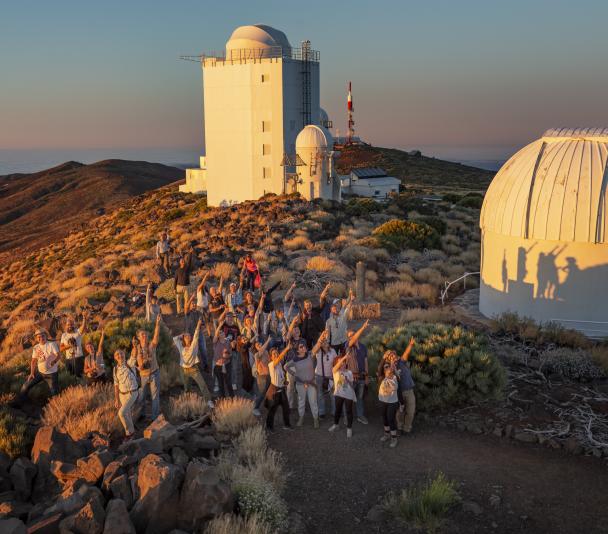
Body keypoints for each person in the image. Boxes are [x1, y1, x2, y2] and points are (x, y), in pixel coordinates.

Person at [130, 314, 162, 421]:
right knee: (142, 396)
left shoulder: (151, 345)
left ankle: (155, 418)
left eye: (145, 334)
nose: (144, 336)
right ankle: (141, 414)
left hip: (154, 373)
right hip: (143, 375)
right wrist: (134, 347)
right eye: (142, 335)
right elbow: (132, 357)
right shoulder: (137, 348)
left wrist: (157, 324)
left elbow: (156, 336)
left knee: (155, 397)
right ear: (138, 337)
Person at [16, 328, 61, 404]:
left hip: (52, 374)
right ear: (36, 338)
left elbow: (58, 355)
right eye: (39, 337)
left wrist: (54, 361)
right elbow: (33, 361)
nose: (41, 338)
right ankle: (21, 401)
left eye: (42, 336)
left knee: (54, 393)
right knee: (25, 386)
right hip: (40, 373)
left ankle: (56, 408)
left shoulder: (51, 344)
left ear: (46, 336)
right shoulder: (36, 347)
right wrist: (32, 373)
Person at [172, 318, 212, 401]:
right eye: (185, 336)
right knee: (187, 388)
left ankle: (209, 401)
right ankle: (188, 402)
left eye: (189, 335)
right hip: (183, 369)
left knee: (202, 385)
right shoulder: (181, 346)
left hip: (193, 369)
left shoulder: (194, 345)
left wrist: (198, 325)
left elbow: (196, 334)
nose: (187, 337)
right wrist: (181, 335)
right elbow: (174, 339)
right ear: (183, 338)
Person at [285, 339, 319, 428]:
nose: (303, 347)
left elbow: (316, 347)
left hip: (311, 383)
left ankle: (316, 419)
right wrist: (294, 374)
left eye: (304, 346)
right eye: (301, 346)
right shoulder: (295, 360)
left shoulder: (310, 355)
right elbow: (286, 366)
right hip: (300, 384)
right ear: (297, 350)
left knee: (313, 401)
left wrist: (321, 338)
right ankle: (301, 418)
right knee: (301, 401)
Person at [327, 352, 356, 438]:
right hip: (339, 394)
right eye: (340, 362)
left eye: (343, 362)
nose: (342, 364)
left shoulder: (350, 372)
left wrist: (348, 381)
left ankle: (349, 428)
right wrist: (343, 358)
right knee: (338, 410)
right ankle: (336, 425)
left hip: (349, 395)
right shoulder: (335, 371)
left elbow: (352, 385)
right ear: (337, 363)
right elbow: (335, 368)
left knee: (349, 411)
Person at [113, 349, 139, 442]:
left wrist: (135, 346)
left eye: (121, 353)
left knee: (121, 413)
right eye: (117, 354)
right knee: (127, 414)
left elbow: (134, 354)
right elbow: (116, 385)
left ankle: (129, 433)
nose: (119, 355)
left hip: (132, 392)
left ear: (124, 354)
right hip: (121, 394)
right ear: (115, 358)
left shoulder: (129, 363)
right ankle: (132, 433)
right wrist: (117, 399)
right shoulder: (115, 369)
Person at [346, 324, 370, 425]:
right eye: (350, 336)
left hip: (361, 376)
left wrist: (367, 376)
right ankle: (347, 416)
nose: (351, 337)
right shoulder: (348, 346)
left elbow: (365, 362)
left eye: (353, 335)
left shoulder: (363, 347)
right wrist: (363, 328)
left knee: (360, 398)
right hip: (351, 377)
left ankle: (360, 416)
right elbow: (352, 341)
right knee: (348, 398)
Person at [266, 344, 293, 431]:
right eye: (274, 354)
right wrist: (286, 349)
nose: (276, 354)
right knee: (272, 410)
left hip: (281, 390)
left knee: (286, 408)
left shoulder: (280, 365)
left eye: (276, 353)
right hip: (274, 391)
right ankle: (269, 427)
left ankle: (287, 425)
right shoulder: (271, 364)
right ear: (271, 356)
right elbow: (279, 358)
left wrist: (284, 381)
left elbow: (280, 376)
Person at [312, 330, 336, 419]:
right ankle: (321, 412)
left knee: (333, 395)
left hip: (330, 376)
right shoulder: (318, 351)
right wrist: (320, 339)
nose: (325, 342)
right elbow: (313, 351)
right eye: (323, 341)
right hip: (319, 376)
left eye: (326, 340)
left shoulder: (333, 351)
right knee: (320, 394)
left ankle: (334, 412)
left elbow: (336, 363)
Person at [300, 283, 331, 349]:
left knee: (319, 348)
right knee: (309, 351)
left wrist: (326, 288)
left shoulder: (316, 310)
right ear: (305, 306)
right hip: (307, 336)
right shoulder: (303, 315)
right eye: (307, 305)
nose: (308, 306)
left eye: (309, 305)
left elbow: (322, 299)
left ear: (311, 305)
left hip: (317, 334)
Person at [396, 338, 416, 434]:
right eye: (391, 355)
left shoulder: (401, 362)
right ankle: (399, 427)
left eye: (395, 355)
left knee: (410, 411)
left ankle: (407, 428)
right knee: (400, 411)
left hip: (409, 390)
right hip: (399, 392)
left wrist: (411, 345)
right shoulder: (389, 368)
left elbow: (405, 354)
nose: (395, 356)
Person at [60, 311, 89, 377]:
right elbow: (61, 349)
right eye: (68, 325)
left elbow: (83, 327)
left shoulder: (77, 332)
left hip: (78, 358)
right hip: (68, 359)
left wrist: (84, 318)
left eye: (71, 324)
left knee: (80, 376)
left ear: (74, 325)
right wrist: (69, 346)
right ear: (66, 326)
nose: (70, 326)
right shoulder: (64, 335)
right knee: (70, 377)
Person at [325, 290, 354, 355]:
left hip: (343, 341)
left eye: (338, 303)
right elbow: (328, 332)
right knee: (335, 358)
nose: (337, 305)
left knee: (345, 356)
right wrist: (327, 342)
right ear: (331, 310)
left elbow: (348, 307)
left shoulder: (342, 314)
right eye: (334, 308)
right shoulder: (329, 320)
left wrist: (351, 299)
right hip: (334, 342)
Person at [378, 361, 400, 448]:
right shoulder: (381, 378)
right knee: (384, 418)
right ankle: (386, 434)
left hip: (392, 402)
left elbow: (395, 387)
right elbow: (379, 368)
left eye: (388, 367)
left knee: (391, 419)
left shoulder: (394, 377)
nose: (387, 368)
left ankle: (394, 438)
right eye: (385, 367)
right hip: (383, 401)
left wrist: (391, 373)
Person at [213, 316, 235, 398]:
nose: (221, 333)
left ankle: (232, 398)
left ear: (224, 334)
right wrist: (219, 326)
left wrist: (227, 355)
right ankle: (223, 399)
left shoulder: (227, 342)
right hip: (218, 365)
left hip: (227, 364)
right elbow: (215, 334)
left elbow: (231, 354)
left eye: (222, 332)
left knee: (228, 382)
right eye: (219, 333)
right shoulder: (215, 342)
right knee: (220, 383)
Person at [252, 336, 272, 416]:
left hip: (269, 375)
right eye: (257, 345)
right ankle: (255, 408)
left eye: (260, 343)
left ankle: (266, 406)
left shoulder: (266, 353)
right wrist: (268, 340)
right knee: (261, 393)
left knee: (267, 392)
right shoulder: (257, 355)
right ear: (256, 348)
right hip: (262, 377)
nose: (259, 345)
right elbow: (261, 350)